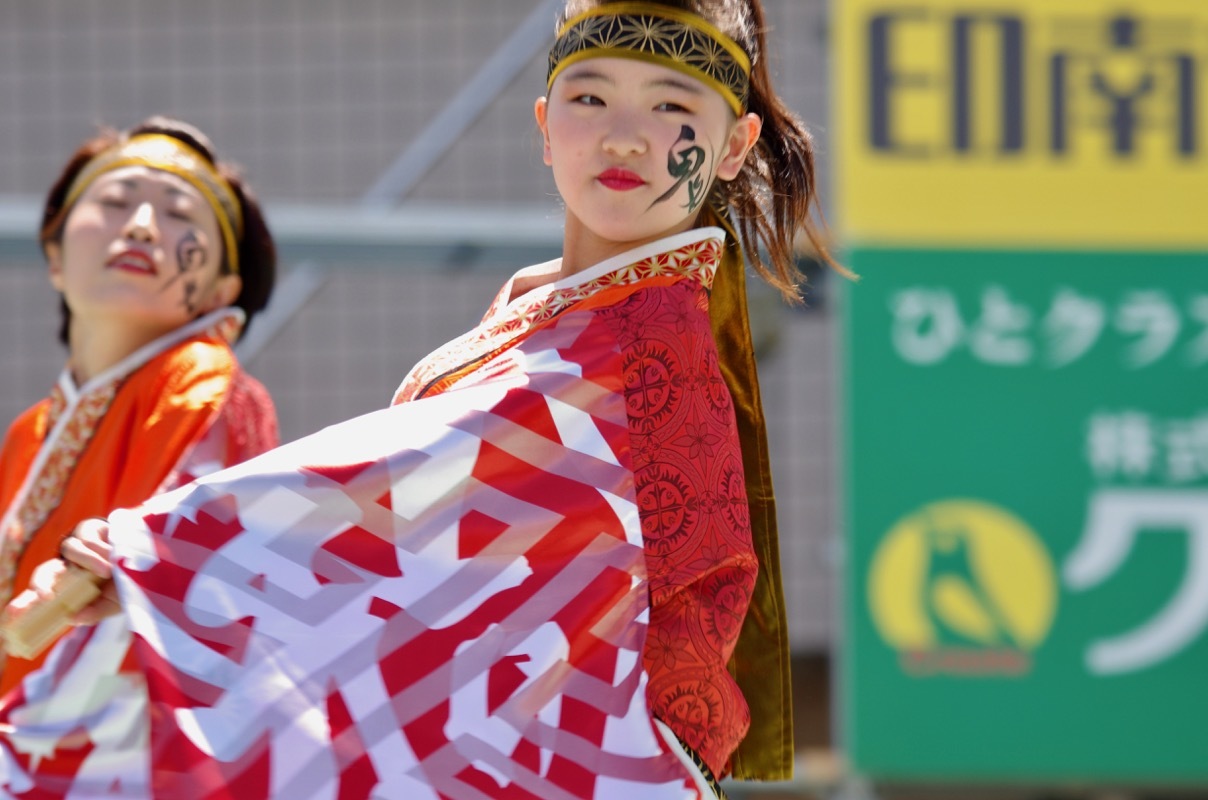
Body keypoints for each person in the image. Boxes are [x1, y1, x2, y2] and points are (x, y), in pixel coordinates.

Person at [0, 2, 840, 797]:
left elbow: (405, 484)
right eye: (591, 96)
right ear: (546, 129)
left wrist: (164, 549)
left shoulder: (641, 346)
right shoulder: (567, 319)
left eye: (670, 104)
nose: (625, 133)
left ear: (734, 147)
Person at [0, 116, 279, 693]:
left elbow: (208, 575)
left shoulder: (203, 380)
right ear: (54, 256)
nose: (144, 227)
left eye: (179, 214)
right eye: (115, 201)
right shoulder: (29, 431)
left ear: (223, 292)